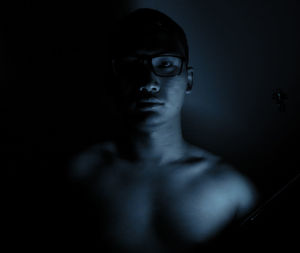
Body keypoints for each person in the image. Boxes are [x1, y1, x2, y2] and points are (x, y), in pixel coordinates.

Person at [67, 8, 257, 253]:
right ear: (113, 80)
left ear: (188, 80)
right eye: (131, 66)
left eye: (165, 64)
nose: (147, 82)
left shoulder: (231, 191)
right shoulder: (80, 176)